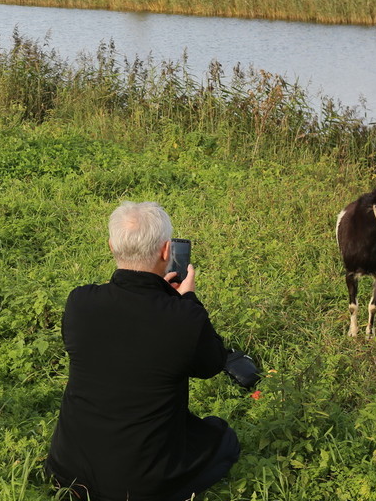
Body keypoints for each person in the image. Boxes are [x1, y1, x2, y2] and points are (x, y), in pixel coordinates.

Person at [45, 201, 240, 500]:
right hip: (140, 485)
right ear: (166, 251)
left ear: (112, 246)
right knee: (221, 436)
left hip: (68, 468)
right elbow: (211, 364)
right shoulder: (183, 317)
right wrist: (187, 300)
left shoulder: (79, 302)